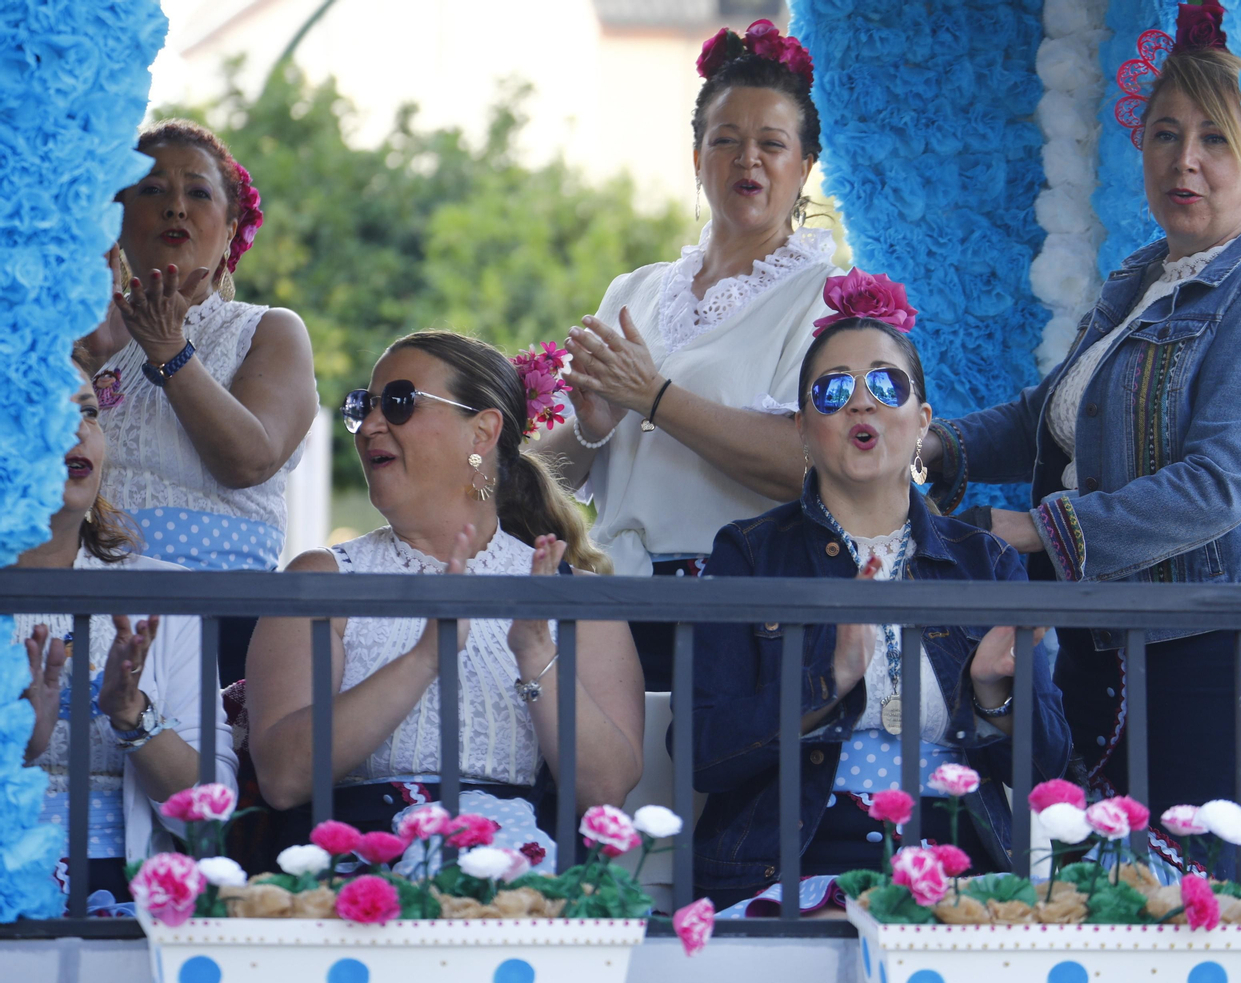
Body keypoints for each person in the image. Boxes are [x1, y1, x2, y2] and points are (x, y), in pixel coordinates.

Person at [920, 10, 1241, 874]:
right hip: (1113, 628)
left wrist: (1037, 530)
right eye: (1166, 133)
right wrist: (933, 450)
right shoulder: (1139, 279)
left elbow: (1218, 487)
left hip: (1222, 639)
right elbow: (1051, 416)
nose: (1186, 159)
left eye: (1216, 138)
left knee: (1186, 892)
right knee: (1098, 881)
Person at [689, 282, 1071, 911]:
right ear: (805, 429)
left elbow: (1048, 770)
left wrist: (992, 692)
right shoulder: (751, 555)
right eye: (833, 391)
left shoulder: (987, 562)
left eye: (887, 386)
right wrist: (828, 683)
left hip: (957, 868)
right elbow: (703, 753)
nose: (861, 402)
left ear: (922, 423)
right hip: (798, 864)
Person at [246, 331, 645, 861]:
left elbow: (605, 796)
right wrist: (424, 659)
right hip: (354, 880)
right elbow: (283, 776)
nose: (369, 426)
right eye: (364, 407)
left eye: (400, 403)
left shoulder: (572, 597)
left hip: (516, 878)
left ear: (482, 432)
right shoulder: (323, 578)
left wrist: (536, 655)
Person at [533, 20, 840, 688]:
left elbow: (814, 464)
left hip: (736, 612)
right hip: (611, 600)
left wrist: (656, 399)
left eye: (771, 143)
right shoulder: (634, 289)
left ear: (807, 165)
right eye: (724, 140)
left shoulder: (826, 299)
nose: (746, 160)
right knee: (607, 788)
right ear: (697, 157)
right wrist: (591, 428)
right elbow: (556, 474)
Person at [77, 118, 318, 684]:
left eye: (199, 192)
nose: (176, 208)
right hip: (87, 616)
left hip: (220, 629)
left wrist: (169, 350)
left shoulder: (268, 330)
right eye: (153, 190)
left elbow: (249, 460)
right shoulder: (81, 342)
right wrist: (84, 361)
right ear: (118, 218)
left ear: (231, 229)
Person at [13, 362, 237, 907]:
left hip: (130, 901)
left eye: (88, 411)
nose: (79, 429)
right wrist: (16, 749)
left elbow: (213, 811)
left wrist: (133, 718)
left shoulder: (164, 595)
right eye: (50, 411)